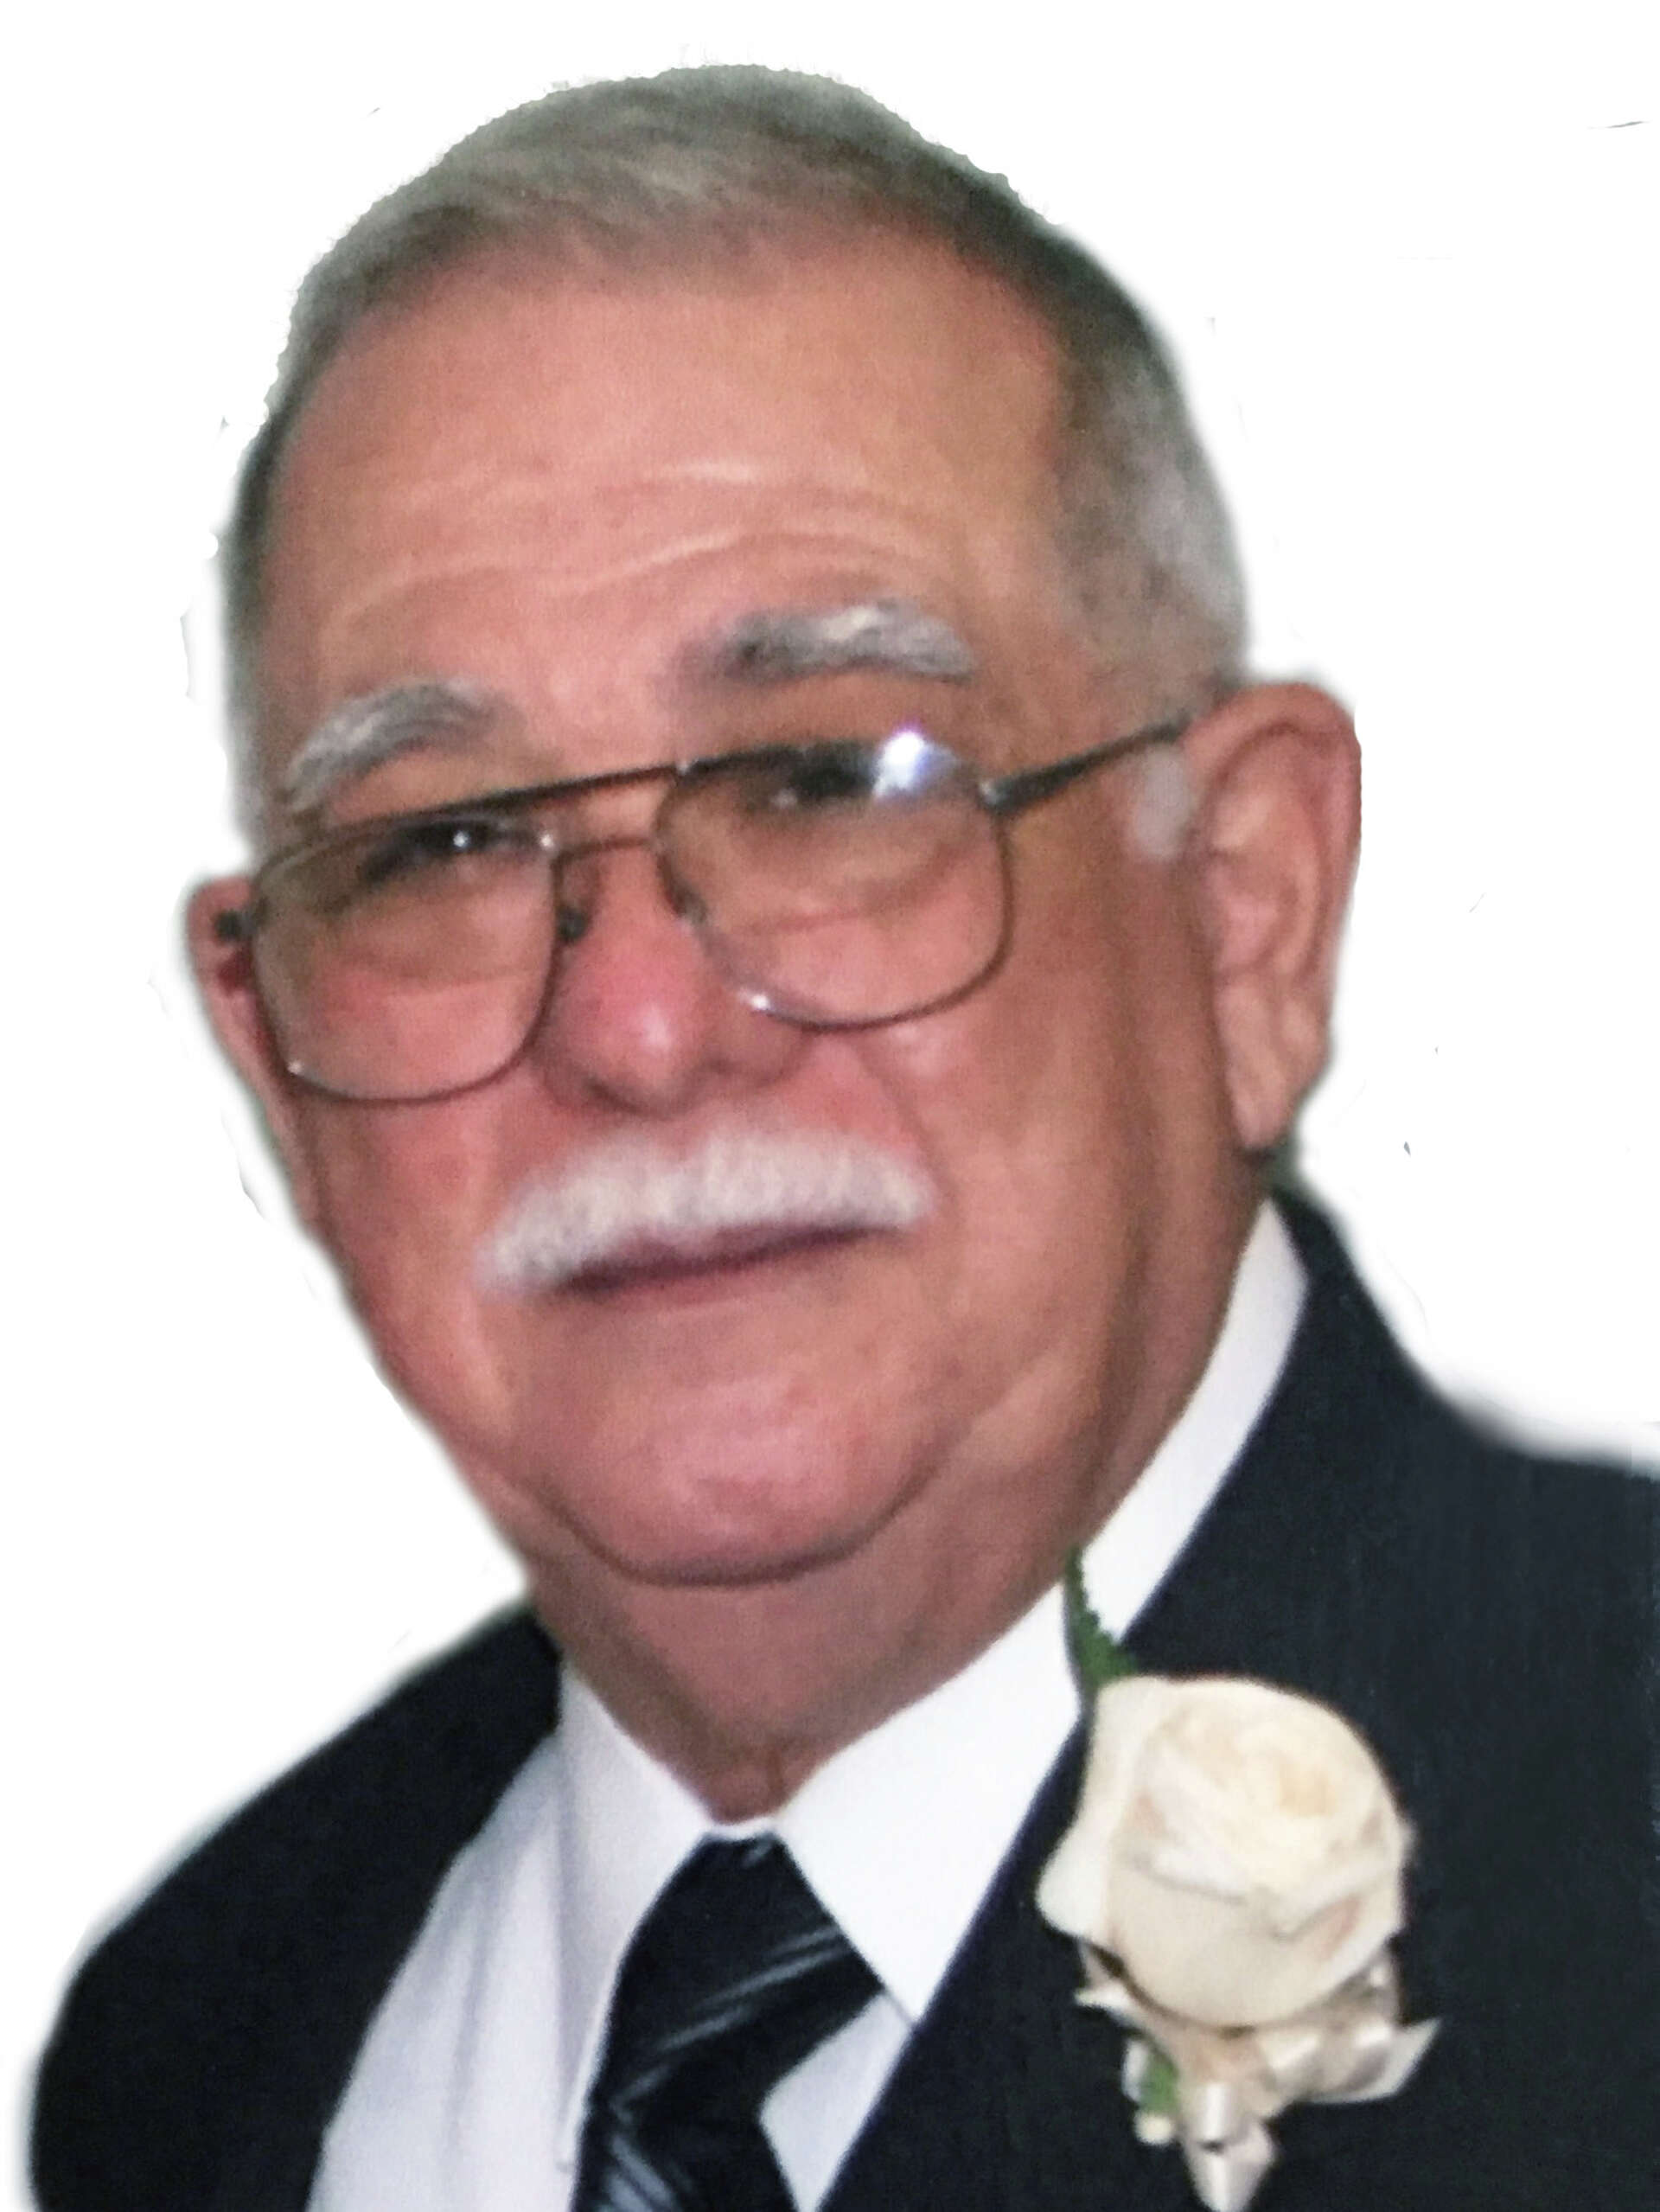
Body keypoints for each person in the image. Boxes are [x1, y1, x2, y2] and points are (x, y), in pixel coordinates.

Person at [32, 65, 1654, 2212]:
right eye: (444, 842)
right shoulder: (194, 2036)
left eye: (822, 781)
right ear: (275, 1051)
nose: (632, 1025)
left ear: (1245, 909)